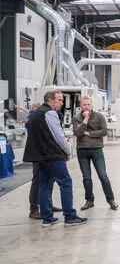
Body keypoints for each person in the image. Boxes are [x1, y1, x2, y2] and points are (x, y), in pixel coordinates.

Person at [23, 90, 87, 227]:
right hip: (52, 155)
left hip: (41, 156)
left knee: (44, 185)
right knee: (66, 183)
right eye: (59, 100)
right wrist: (68, 150)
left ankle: (47, 218)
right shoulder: (50, 113)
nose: (62, 103)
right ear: (50, 100)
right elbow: (58, 136)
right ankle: (69, 216)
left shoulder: (37, 113)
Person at [73, 96, 119, 211]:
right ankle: (89, 200)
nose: (86, 107)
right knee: (86, 178)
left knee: (103, 176)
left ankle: (111, 200)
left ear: (92, 105)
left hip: (96, 149)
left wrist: (89, 134)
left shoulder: (99, 116)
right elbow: (78, 133)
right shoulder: (76, 118)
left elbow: (104, 131)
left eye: (88, 104)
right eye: (84, 105)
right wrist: (85, 119)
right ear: (80, 106)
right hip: (82, 150)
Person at [26, 103, 61, 219]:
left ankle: (47, 204)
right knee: (37, 180)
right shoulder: (39, 115)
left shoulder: (52, 114)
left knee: (49, 180)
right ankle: (34, 209)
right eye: (59, 100)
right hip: (38, 153)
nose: (61, 103)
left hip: (47, 153)